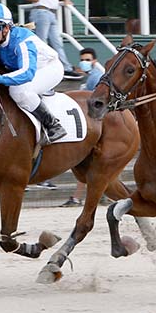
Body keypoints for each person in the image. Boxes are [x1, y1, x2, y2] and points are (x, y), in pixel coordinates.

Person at [0, 2, 67, 144]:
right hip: (25, 69)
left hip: (49, 68)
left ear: (6, 28)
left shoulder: (22, 41)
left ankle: (53, 125)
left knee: (18, 91)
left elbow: (27, 73)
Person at [18, 0, 81, 79]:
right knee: (42, 42)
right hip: (41, 12)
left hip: (52, 13)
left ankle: (66, 68)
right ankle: (42, 70)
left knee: (57, 42)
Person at [60, 47, 105, 207]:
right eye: (82, 60)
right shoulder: (88, 78)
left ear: (94, 61)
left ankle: (77, 198)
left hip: (94, 124)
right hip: (90, 123)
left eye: (87, 60)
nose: (84, 62)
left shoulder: (95, 78)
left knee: (85, 162)